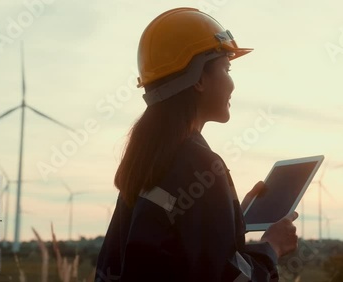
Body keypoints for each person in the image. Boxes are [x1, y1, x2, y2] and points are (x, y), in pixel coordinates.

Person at [95, 7, 299, 282]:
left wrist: (234, 219)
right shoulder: (202, 167)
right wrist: (272, 248)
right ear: (199, 79)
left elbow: (173, 248)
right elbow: (229, 278)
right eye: (226, 68)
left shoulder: (147, 164)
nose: (232, 84)